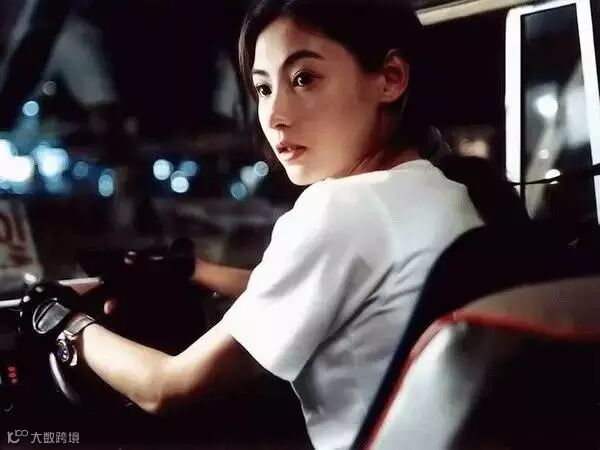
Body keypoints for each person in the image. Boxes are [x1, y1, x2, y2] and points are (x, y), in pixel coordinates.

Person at [20, 0, 485, 448]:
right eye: (263, 89)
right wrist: (194, 270)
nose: (275, 116)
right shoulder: (440, 191)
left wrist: (61, 321)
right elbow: (328, 284)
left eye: (303, 79)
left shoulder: (340, 209)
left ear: (390, 78)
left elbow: (167, 387)